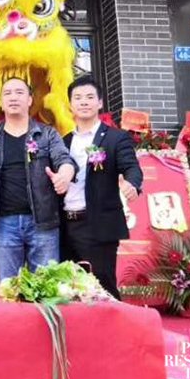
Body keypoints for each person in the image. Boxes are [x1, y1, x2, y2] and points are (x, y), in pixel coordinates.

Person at [0, 77, 76, 281]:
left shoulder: (47, 134)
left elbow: (64, 160)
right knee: (9, 287)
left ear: (30, 99)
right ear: (1, 101)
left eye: (19, 92)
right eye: (7, 93)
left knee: (46, 286)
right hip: (3, 223)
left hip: (42, 222)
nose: (13, 97)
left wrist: (64, 176)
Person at [61, 75, 143, 299]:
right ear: (70, 105)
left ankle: (114, 321)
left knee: (102, 287)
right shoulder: (63, 141)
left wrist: (132, 184)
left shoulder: (115, 138)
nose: (84, 102)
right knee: (68, 289)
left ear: (100, 103)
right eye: (78, 98)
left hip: (98, 224)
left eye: (89, 97)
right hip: (66, 224)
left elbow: (131, 167)